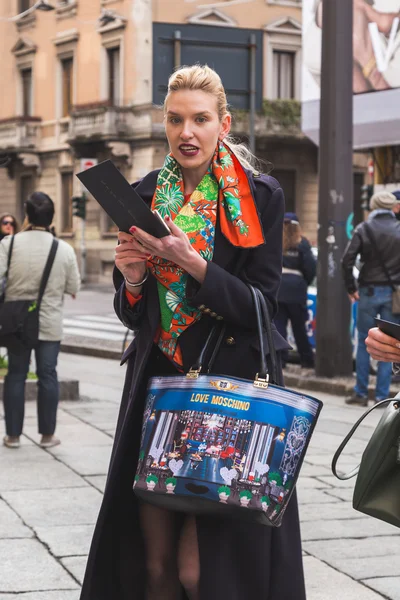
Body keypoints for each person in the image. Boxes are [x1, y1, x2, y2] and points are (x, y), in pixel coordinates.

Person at [80, 65, 305, 600]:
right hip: (157, 389)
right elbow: (136, 313)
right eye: (176, 119)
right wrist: (133, 279)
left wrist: (192, 263)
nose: (188, 132)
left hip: (229, 395)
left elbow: (261, 305)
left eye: (201, 120)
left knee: (200, 572)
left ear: (222, 124)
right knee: (151, 565)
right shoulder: (140, 194)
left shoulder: (259, 196)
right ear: (164, 124)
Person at [0, 192, 80, 449]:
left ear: (27, 214)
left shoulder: (9, 244)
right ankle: (47, 435)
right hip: (48, 322)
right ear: (52, 216)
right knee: (48, 376)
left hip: (16, 322)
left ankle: (13, 436)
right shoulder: (64, 248)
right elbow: (73, 285)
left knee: (15, 375)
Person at [342, 190, 400, 406]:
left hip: (367, 291)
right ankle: (383, 396)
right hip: (394, 294)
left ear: (374, 207)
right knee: (391, 344)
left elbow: (347, 260)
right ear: (393, 207)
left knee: (366, 340)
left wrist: (351, 288)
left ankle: (360, 393)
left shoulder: (364, 228)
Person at [275, 212, 316, 369]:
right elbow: (310, 268)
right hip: (297, 291)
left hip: (278, 289)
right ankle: (306, 360)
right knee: (299, 327)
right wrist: (302, 282)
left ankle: (280, 360)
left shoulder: (276, 241)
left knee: (279, 328)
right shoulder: (302, 243)